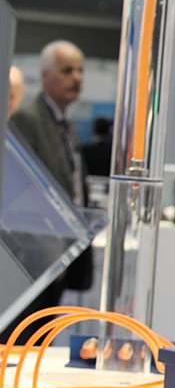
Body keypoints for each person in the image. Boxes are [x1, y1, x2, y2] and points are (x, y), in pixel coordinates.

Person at [4, 41, 93, 342]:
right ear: (44, 76)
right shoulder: (28, 120)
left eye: (80, 70)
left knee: (39, 337)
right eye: (67, 70)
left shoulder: (64, 125)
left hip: (59, 253)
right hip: (32, 255)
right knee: (22, 338)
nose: (76, 78)